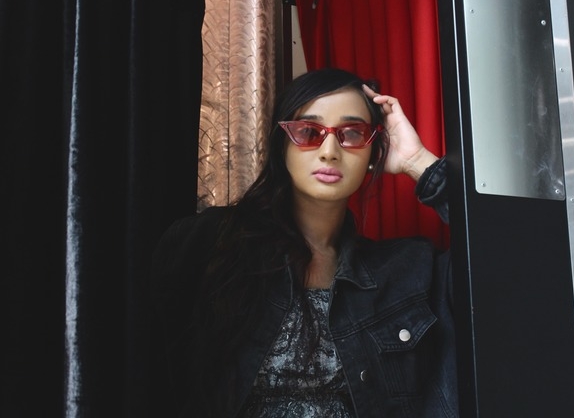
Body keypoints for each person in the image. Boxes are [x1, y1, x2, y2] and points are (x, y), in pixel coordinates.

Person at [151, 68, 457, 418]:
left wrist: (418, 163)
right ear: (282, 145)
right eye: (309, 132)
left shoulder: (410, 273)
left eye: (352, 133)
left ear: (373, 152)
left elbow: (501, 267)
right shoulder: (208, 244)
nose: (329, 151)